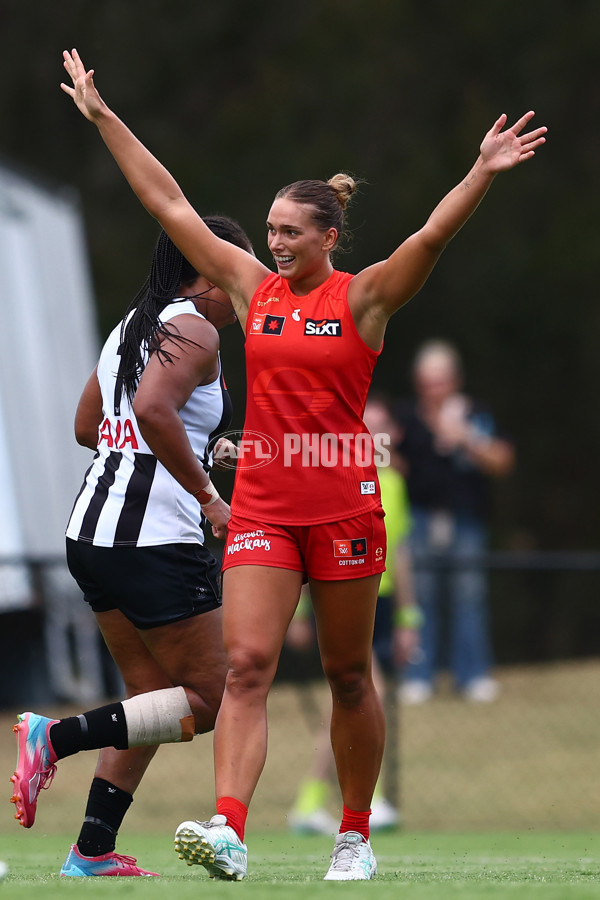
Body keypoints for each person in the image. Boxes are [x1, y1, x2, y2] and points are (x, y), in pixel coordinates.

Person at [60, 47, 546, 881]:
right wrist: (105, 118)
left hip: (346, 507)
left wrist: (483, 171)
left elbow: (432, 234)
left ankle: (353, 833)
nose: (276, 243)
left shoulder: (364, 297)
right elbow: (168, 199)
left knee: (348, 675)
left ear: (329, 236)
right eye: (272, 230)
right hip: (264, 508)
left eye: (291, 232)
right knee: (245, 667)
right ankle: (228, 828)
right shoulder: (252, 292)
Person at [10, 218, 254, 877]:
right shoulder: (196, 328)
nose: (247, 288)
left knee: (147, 697)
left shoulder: (134, 325)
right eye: (237, 271)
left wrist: (187, 452)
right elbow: (151, 411)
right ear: (205, 272)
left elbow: (89, 425)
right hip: (152, 539)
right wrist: (207, 495)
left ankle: (91, 851)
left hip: (91, 529)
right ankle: (52, 737)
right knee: (214, 695)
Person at [287, 393, 419, 835]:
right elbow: (312, 547)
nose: (375, 434)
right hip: (339, 596)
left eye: (382, 426)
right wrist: (303, 611)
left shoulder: (396, 483)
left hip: (377, 600)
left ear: (394, 435)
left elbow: (399, 552)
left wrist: (408, 619)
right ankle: (369, 800)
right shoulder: (336, 474)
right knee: (365, 689)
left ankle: (311, 803)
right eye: (368, 425)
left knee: (349, 699)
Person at [396, 340, 515, 704]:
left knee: (469, 598)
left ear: (456, 380)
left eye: (441, 380)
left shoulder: (475, 412)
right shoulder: (405, 419)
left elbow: (503, 462)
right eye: (427, 381)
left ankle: (473, 675)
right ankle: (419, 675)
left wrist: (464, 436)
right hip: (418, 520)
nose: (434, 389)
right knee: (419, 599)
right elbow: (386, 463)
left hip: (466, 521)